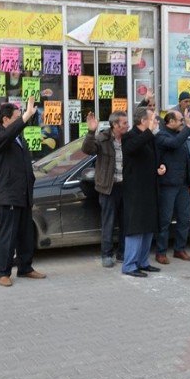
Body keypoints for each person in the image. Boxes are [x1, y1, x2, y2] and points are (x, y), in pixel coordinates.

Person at [0, 96, 47, 287]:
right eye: (17, 117)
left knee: (25, 235)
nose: (20, 121)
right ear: (5, 120)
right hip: (8, 195)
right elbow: (8, 135)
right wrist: (27, 115)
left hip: (23, 195)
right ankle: (3, 273)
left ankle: (25, 267)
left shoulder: (18, 138)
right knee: (8, 235)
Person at [120, 106, 166, 277]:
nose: (154, 122)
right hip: (135, 192)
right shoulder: (129, 137)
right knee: (136, 228)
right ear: (143, 121)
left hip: (150, 189)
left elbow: (152, 157)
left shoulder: (149, 137)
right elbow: (132, 149)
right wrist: (150, 132)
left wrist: (159, 167)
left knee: (148, 227)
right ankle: (129, 265)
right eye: (152, 118)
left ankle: (143, 262)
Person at [81, 110, 128, 268]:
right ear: (115, 125)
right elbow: (87, 149)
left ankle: (123, 253)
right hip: (108, 188)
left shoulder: (128, 139)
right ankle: (107, 254)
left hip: (125, 187)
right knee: (108, 223)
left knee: (125, 223)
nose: (127, 126)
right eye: (124, 123)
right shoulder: (103, 138)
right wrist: (91, 131)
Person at [154, 109, 190, 264]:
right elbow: (174, 143)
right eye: (180, 120)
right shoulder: (161, 136)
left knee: (184, 219)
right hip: (167, 186)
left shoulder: (181, 137)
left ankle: (180, 249)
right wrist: (188, 127)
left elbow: (188, 160)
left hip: (182, 186)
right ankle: (161, 252)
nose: (182, 123)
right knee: (165, 221)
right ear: (170, 121)